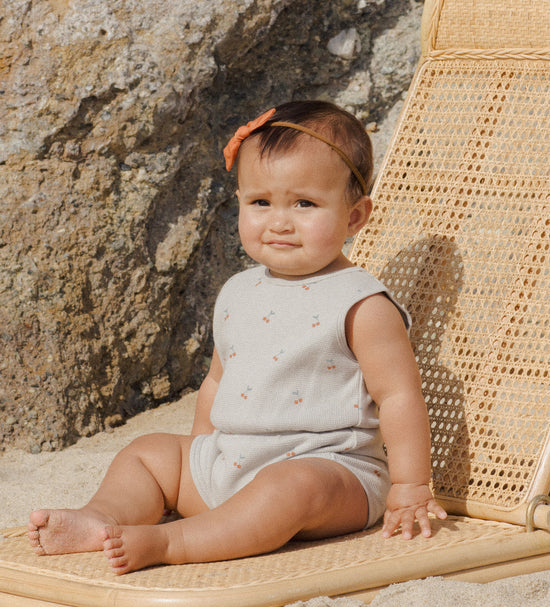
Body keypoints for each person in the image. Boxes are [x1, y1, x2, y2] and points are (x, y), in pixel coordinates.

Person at [28, 101, 447, 575]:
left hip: (331, 471)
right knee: (148, 452)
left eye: (305, 204)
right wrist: (198, 461)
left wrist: (410, 485)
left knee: (291, 487)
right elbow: (217, 381)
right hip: (231, 462)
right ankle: (102, 517)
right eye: (260, 202)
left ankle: (172, 542)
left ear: (354, 217)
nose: (279, 221)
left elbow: (399, 397)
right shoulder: (237, 290)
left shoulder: (361, 303)